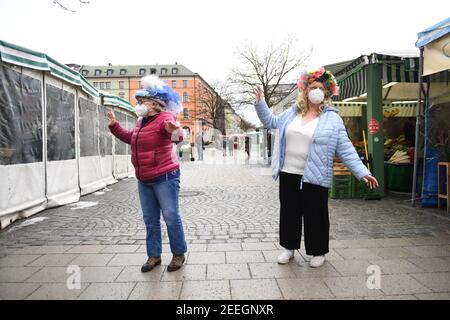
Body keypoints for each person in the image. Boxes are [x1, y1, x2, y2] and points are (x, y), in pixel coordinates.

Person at [254, 67, 378, 268]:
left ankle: (318, 251)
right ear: (305, 90)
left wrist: (363, 172)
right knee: (289, 213)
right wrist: (260, 103)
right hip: (289, 173)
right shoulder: (290, 113)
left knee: (316, 214)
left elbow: (346, 149)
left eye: (320, 88)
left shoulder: (332, 119)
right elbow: (270, 121)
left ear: (326, 92)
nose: (316, 91)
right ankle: (288, 248)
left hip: (316, 174)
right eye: (313, 87)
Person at [106, 75, 187, 273]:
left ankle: (178, 254)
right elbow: (131, 139)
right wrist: (115, 127)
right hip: (144, 178)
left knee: (170, 216)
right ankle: (154, 256)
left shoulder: (165, 118)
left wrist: (174, 131)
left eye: (143, 102)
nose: (139, 104)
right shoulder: (141, 121)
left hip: (165, 177)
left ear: (155, 104)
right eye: (139, 101)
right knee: (150, 219)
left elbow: (178, 138)